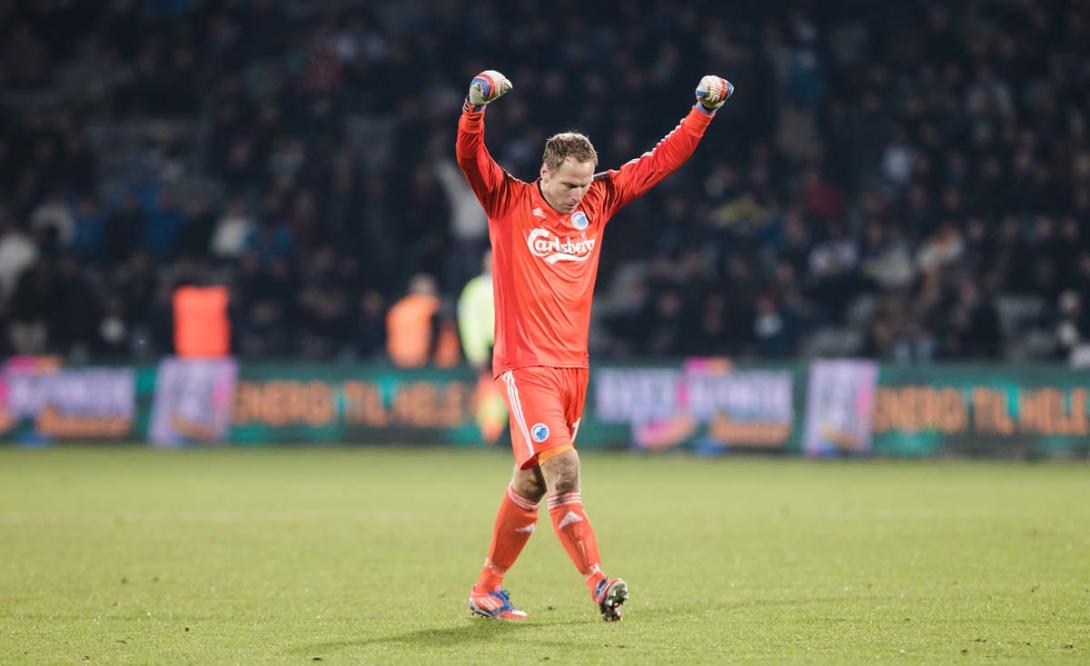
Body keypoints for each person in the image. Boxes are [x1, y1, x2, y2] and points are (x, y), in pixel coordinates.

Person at [456, 69, 733, 621]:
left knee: (531, 482)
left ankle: (487, 588)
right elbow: (470, 157)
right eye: (568, 185)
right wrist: (474, 106)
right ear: (544, 173)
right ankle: (599, 583)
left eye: (584, 184)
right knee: (565, 469)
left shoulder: (598, 201)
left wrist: (702, 113)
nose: (577, 195)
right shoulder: (507, 200)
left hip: (573, 368)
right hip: (526, 365)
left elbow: (660, 161)